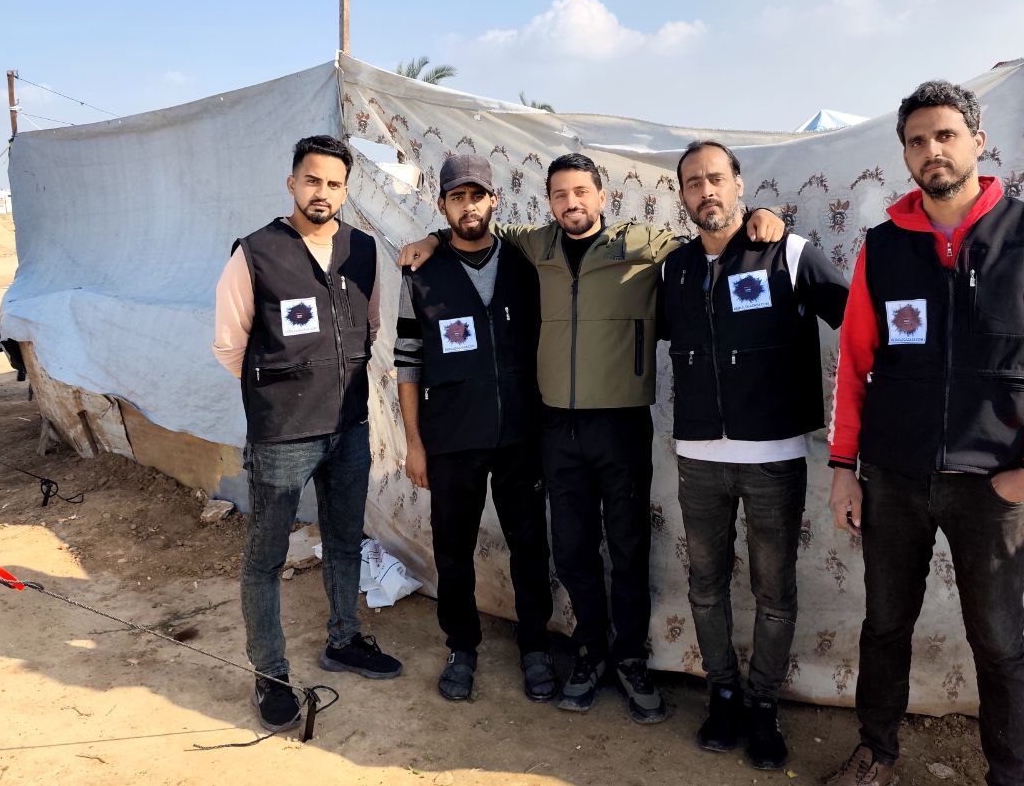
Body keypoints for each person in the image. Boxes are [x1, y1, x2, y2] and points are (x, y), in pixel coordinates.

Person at [399, 153, 786, 723]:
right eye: (560, 194)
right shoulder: (535, 247)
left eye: (582, 191)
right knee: (572, 549)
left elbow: (710, 233)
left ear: (603, 196)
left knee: (628, 548)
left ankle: (629, 658)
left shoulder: (644, 243)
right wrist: (432, 239)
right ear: (548, 203)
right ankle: (587, 653)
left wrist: (760, 216)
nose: (572, 202)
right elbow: (469, 232)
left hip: (621, 424)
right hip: (554, 426)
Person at [825, 81, 1024, 786]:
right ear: (905, 154)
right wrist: (845, 467)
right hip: (894, 478)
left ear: (978, 141)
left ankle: (1009, 773)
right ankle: (876, 751)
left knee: (999, 641)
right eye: (917, 141)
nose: (932, 150)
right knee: (885, 626)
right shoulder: (884, 247)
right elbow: (854, 363)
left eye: (945, 135)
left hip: (994, 485)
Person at [658, 140, 848, 769]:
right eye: (693, 182)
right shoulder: (674, 268)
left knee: (774, 588)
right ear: (682, 195)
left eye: (716, 178)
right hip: (697, 456)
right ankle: (722, 694)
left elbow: (856, 320)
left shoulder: (787, 252)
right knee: (705, 584)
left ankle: (764, 703)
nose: (706, 190)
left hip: (772, 456)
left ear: (739, 184)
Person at [213, 134, 401, 733]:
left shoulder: (362, 250)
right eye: (312, 180)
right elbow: (229, 346)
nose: (323, 192)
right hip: (283, 435)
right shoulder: (256, 253)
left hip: (348, 426)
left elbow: (369, 326)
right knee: (266, 556)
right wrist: (283, 390)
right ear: (292, 182)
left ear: (346, 191)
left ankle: (344, 639)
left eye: (334, 183)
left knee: (345, 541)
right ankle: (270, 673)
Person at [393, 154, 556, 704]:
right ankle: (461, 646)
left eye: (477, 195)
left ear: (494, 200)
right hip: (452, 435)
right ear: (442, 205)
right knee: (453, 548)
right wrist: (414, 443)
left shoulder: (524, 262)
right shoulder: (420, 272)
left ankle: (535, 646)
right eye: (457, 197)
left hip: (521, 434)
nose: (469, 206)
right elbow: (408, 361)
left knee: (529, 543)